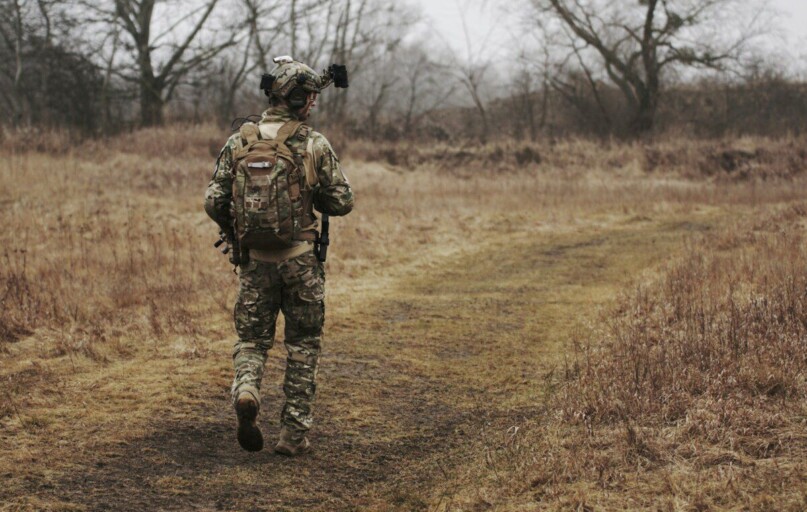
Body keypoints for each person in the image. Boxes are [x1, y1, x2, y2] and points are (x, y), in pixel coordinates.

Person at [204, 57, 353, 455]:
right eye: (312, 98)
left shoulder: (241, 140)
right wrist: (313, 193)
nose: (314, 104)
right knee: (303, 345)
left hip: (254, 262)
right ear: (300, 99)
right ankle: (293, 436)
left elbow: (213, 199)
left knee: (252, 340)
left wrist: (234, 233)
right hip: (302, 261)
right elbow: (342, 202)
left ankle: (248, 388)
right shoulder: (313, 143)